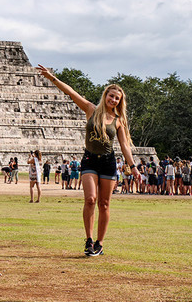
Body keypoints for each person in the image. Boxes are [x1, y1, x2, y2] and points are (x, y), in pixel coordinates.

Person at [37, 65, 137, 257]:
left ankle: (100, 242)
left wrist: (133, 166)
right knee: (90, 199)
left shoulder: (118, 121)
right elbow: (71, 92)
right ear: (105, 96)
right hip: (90, 160)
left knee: (104, 204)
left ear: (119, 101)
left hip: (108, 162)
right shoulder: (91, 109)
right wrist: (52, 78)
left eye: (117, 98)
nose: (113, 99)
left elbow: (124, 145)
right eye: (111, 96)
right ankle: (89, 240)